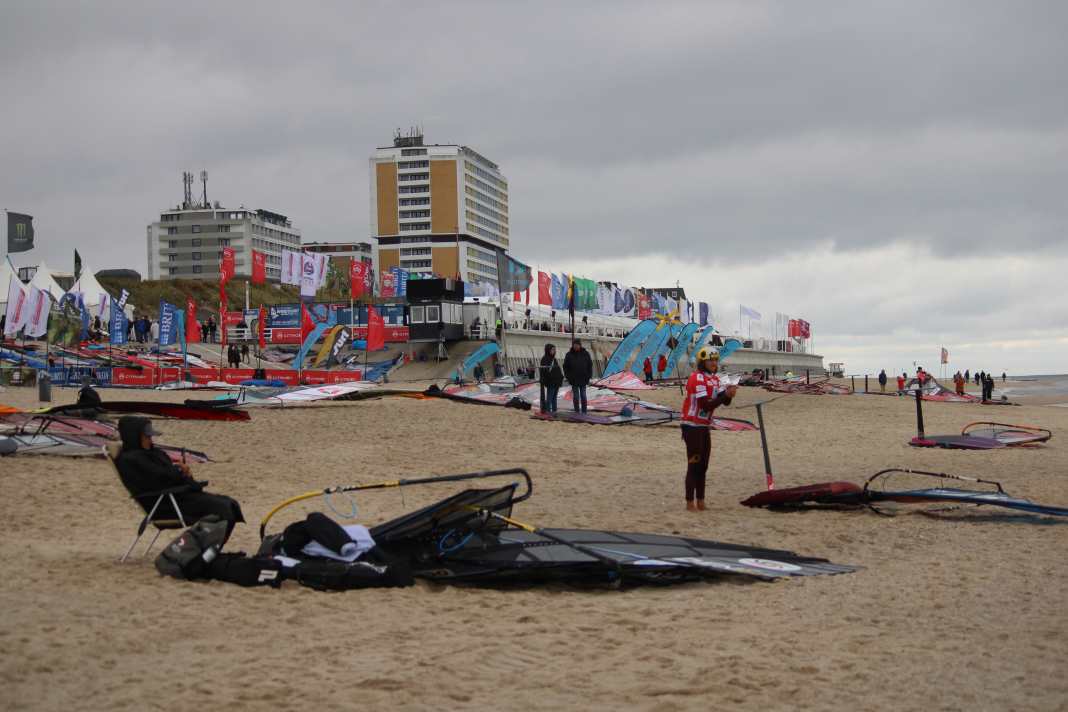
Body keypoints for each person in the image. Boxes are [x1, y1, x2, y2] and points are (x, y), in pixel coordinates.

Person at [115, 416, 244, 542]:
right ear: (134, 437)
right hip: (165, 505)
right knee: (222, 507)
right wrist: (180, 471)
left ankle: (211, 548)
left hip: (177, 496)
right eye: (147, 436)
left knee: (231, 504)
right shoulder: (130, 460)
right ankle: (206, 550)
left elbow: (166, 473)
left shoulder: (152, 453)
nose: (150, 439)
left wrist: (183, 472)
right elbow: (158, 478)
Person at [680, 347, 736, 512]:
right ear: (702, 362)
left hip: (704, 425)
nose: (714, 363)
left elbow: (723, 402)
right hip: (691, 425)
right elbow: (705, 404)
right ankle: (690, 502)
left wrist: (729, 393)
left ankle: (701, 501)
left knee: (703, 466)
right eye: (710, 360)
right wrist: (725, 396)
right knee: (694, 464)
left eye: (716, 360)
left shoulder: (715, 379)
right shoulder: (696, 378)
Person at [562, 339, 593, 413]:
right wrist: (568, 377)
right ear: (573, 345)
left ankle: (584, 411)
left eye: (577, 345)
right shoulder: (569, 355)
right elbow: (565, 367)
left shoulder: (586, 354)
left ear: (580, 345)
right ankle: (577, 411)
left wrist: (589, 376)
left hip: (584, 379)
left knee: (583, 396)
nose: (576, 346)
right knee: (576, 397)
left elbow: (590, 365)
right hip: (574, 380)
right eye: (574, 345)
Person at [538, 344, 564, 414]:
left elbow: (558, 370)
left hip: (557, 381)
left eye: (555, 350)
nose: (554, 351)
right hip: (550, 381)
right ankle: (548, 411)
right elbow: (544, 371)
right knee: (550, 397)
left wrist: (561, 377)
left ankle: (554, 411)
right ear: (548, 350)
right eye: (552, 349)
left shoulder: (554, 359)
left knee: (554, 397)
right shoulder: (545, 359)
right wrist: (548, 378)